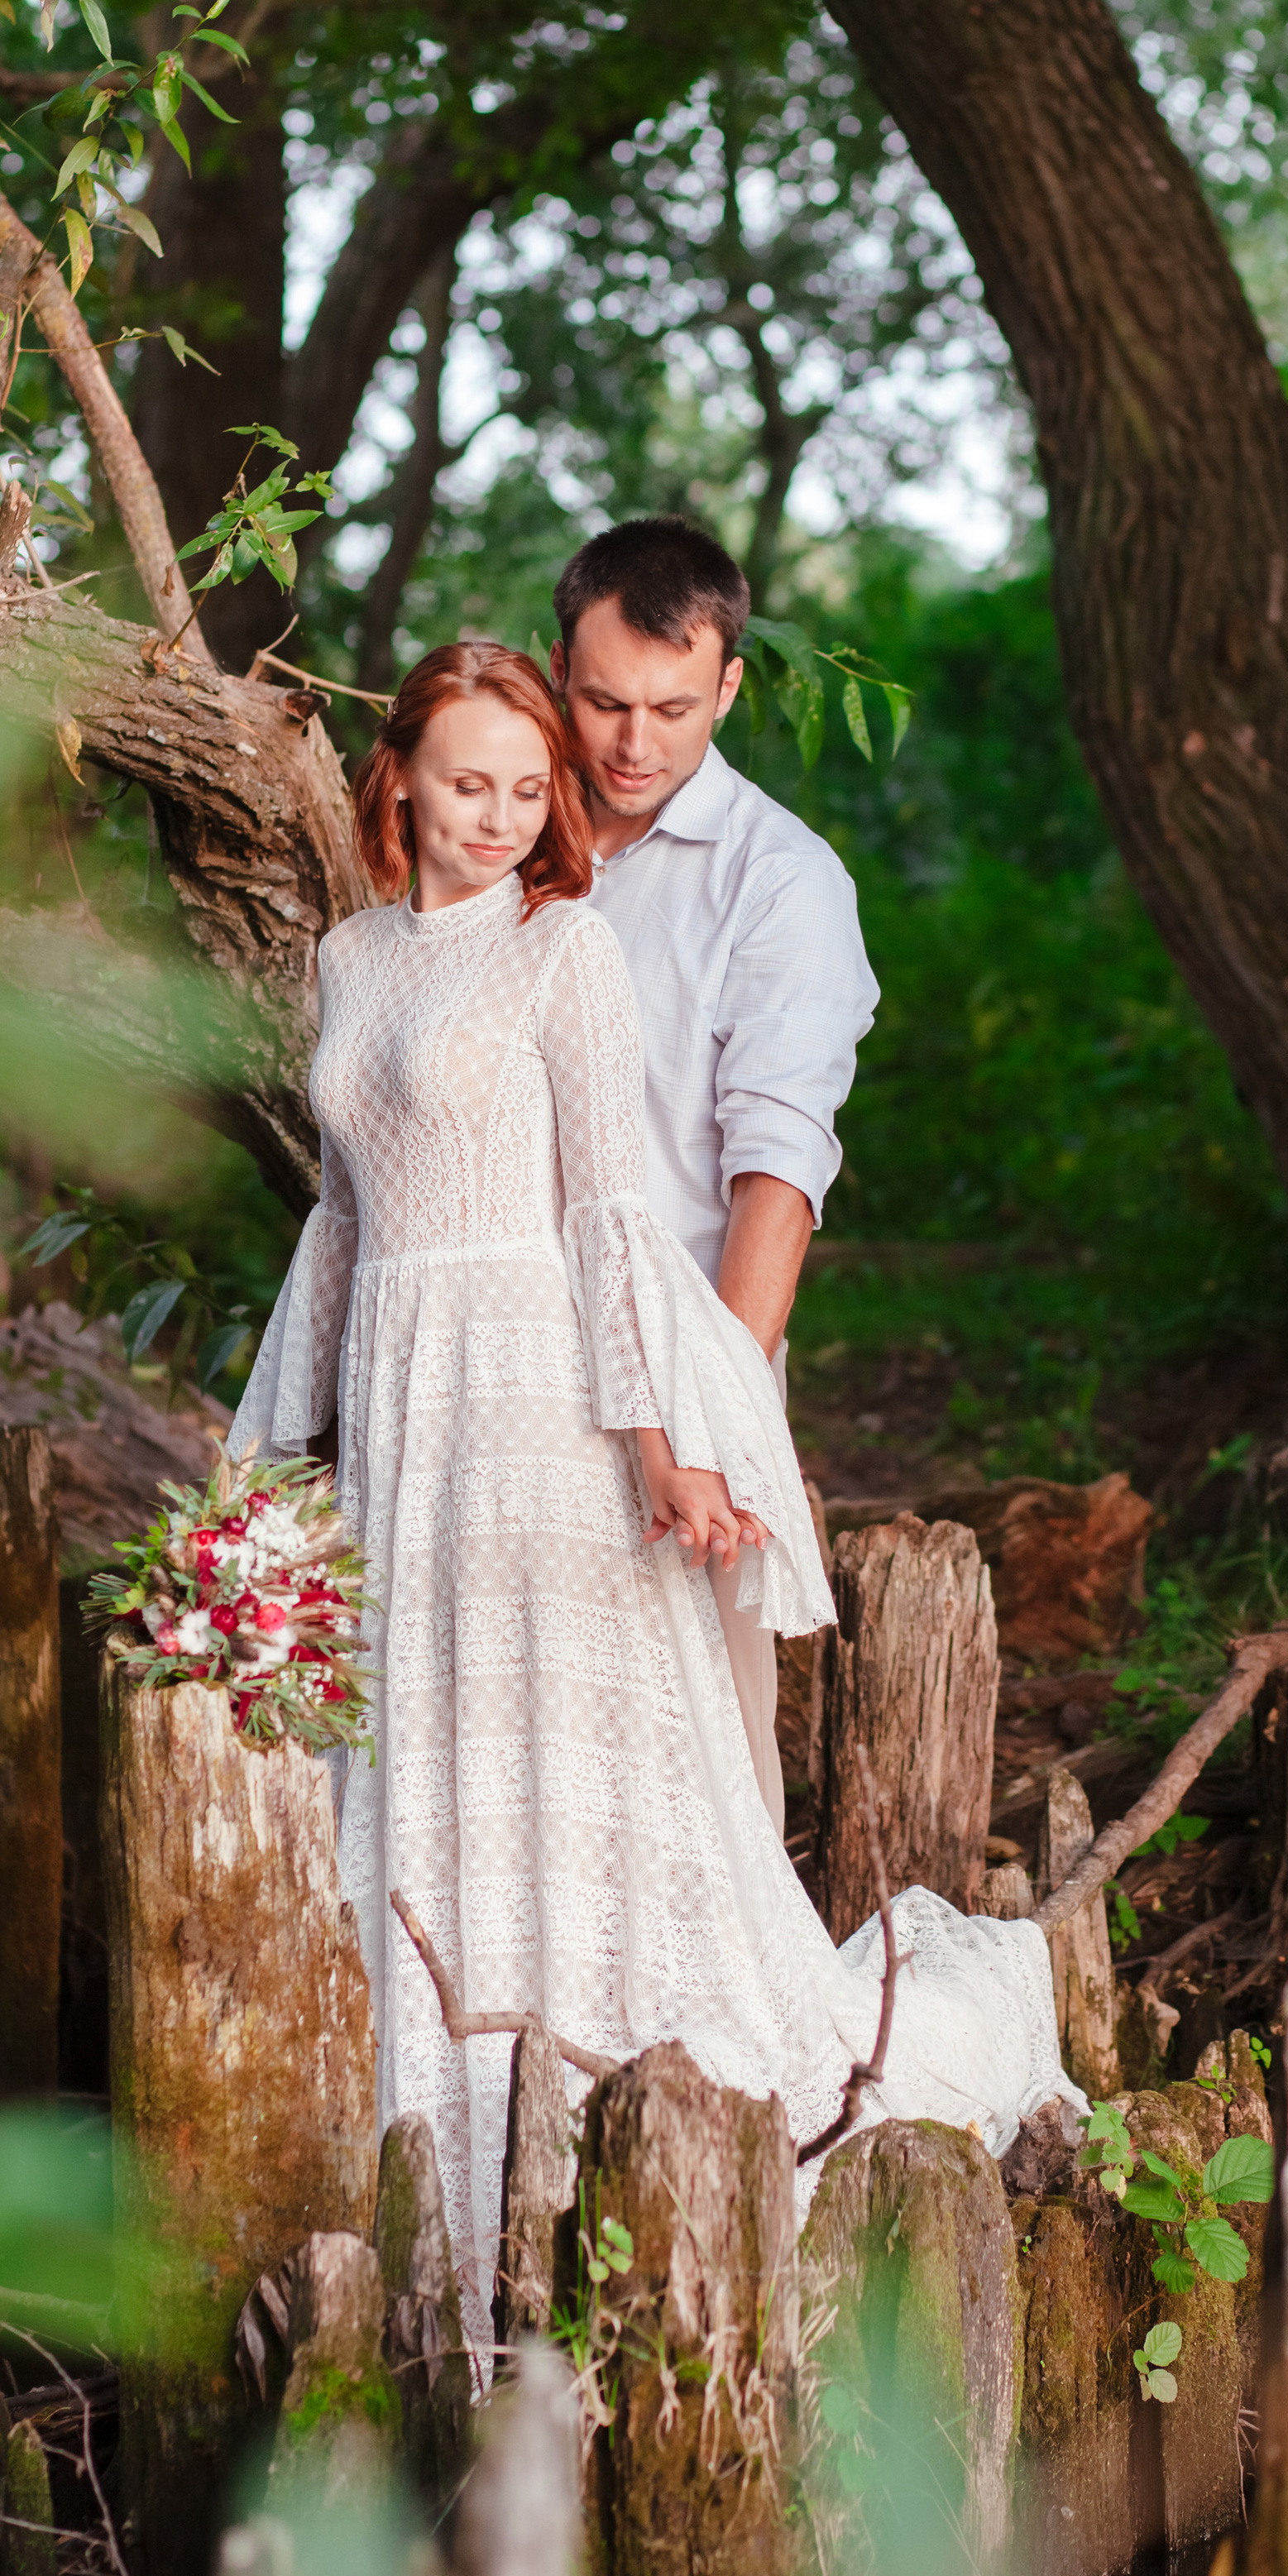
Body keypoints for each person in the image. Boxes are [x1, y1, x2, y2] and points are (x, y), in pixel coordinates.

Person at [230, 639, 1080, 2353]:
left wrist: (664, 1444)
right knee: (421, 1737)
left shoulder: (567, 951)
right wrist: (276, 1447)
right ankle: (434, 2158)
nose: (498, 815)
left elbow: (614, 1214)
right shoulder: (343, 958)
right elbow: (336, 1213)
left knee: (556, 1743)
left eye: (527, 790)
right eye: (466, 781)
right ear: (391, 778)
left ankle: (611, 2131)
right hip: (402, 1389)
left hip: (535, 1394)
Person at [552, 520, 877, 1836]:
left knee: (695, 1755)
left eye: (675, 708)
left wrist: (713, 1420)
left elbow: (778, 1171)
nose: (637, 743)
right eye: (607, 703)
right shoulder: (500, 835)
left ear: (731, 686)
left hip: (694, 1356)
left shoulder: (783, 882)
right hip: (504, 1351)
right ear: (556, 674)